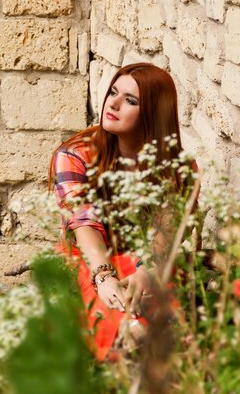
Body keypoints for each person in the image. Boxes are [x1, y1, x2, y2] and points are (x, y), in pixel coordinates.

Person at [48, 62, 195, 361]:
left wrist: (147, 272)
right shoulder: (75, 155)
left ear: (153, 113)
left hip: (146, 262)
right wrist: (104, 276)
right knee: (106, 308)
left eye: (130, 100)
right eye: (113, 92)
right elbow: (82, 222)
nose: (112, 103)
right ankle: (125, 344)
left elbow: (165, 235)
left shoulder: (180, 168)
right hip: (89, 258)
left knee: (160, 302)